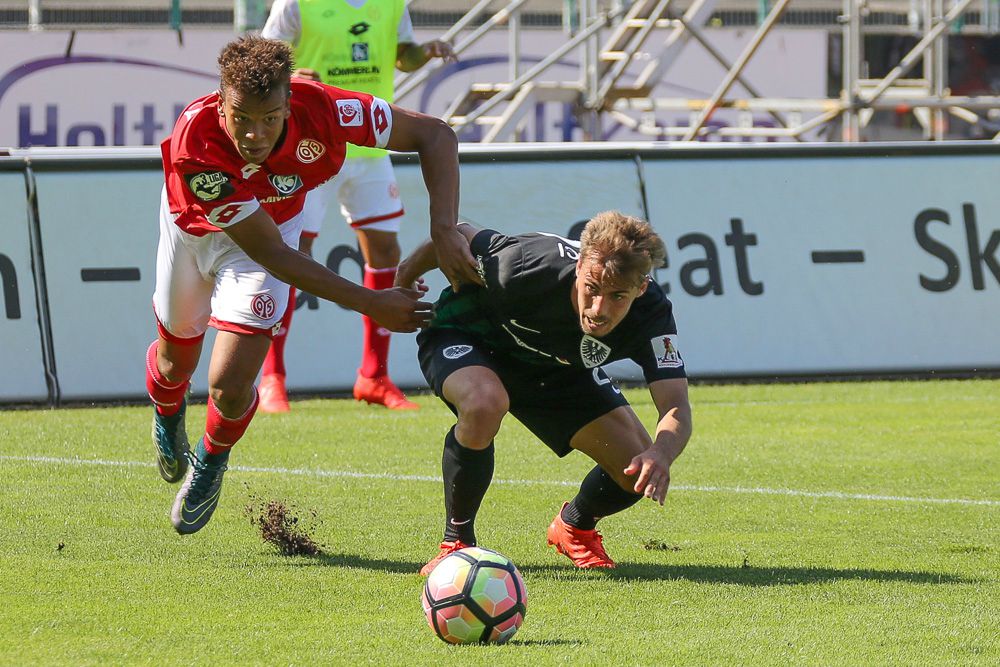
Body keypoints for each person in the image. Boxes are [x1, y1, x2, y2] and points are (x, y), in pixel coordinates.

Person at [148, 35, 478, 535]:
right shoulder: (198, 141)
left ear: (288, 102)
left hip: (268, 235)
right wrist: (372, 302)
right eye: (241, 118)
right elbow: (277, 257)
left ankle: (210, 462)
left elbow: (436, 136)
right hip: (196, 234)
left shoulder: (329, 110)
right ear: (221, 103)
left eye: (270, 118)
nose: (255, 134)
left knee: (230, 387)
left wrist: (444, 230)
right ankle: (168, 410)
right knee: (176, 363)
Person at [396, 211, 693, 572]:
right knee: (485, 403)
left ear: (641, 288)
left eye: (617, 296)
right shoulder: (524, 264)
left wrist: (662, 453)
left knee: (634, 472)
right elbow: (455, 233)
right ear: (580, 266)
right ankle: (457, 541)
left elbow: (675, 404)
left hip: (556, 370)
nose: (599, 309)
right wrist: (406, 276)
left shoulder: (652, 316)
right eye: (592, 288)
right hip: (470, 337)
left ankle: (574, 527)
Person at [259, 0, 459, 412]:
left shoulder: (392, 3)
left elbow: (404, 56)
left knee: (386, 250)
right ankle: (272, 377)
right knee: (295, 252)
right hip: (309, 144)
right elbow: (261, 63)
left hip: (370, 146)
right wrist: (291, 76)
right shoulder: (296, 4)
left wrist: (427, 51)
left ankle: (374, 376)